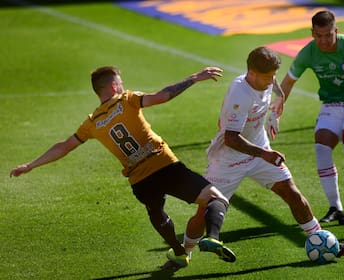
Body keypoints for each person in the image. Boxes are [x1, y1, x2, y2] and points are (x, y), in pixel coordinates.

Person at [9, 66, 236, 270]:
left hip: (140, 181)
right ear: (114, 86)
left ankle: (179, 253)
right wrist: (194, 78)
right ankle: (213, 237)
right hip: (166, 166)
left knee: (155, 212)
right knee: (216, 199)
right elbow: (162, 96)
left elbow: (64, 147)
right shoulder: (127, 99)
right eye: (120, 82)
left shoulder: (92, 122)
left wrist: (31, 165)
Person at [181, 46, 344, 259]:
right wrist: (264, 154)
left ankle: (321, 240)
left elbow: (275, 86)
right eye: (268, 77)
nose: (272, 80)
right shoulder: (240, 95)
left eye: (274, 75)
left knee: (292, 193)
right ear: (252, 73)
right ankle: (183, 252)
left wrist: (279, 103)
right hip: (228, 159)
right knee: (204, 212)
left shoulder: (265, 80)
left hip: (259, 149)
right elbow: (231, 139)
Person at [276, 10, 344, 225]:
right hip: (331, 105)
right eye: (318, 36)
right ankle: (335, 207)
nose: (323, 40)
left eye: (328, 35)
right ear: (312, 33)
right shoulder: (308, 52)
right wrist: (275, 109)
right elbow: (288, 82)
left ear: (336, 31)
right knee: (321, 148)